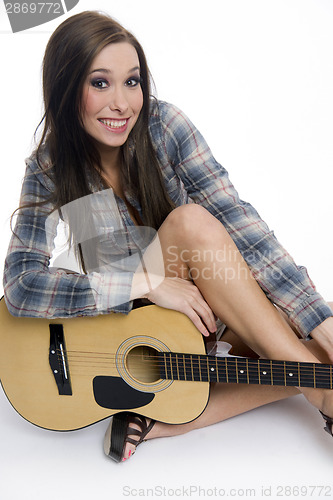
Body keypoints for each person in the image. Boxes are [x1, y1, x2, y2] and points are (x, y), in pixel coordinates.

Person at [3, 10, 333, 464]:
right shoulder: (50, 168)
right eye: (100, 83)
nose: (121, 103)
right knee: (189, 224)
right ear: (65, 88)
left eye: (132, 81)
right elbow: (20, 287)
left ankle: (170, 419)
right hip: (137, 326)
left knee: (296, 317)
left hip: (206, 308)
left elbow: (239, 223)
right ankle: (324, 393)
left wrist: (320, 319)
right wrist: (144, 284)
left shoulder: (163, 126)